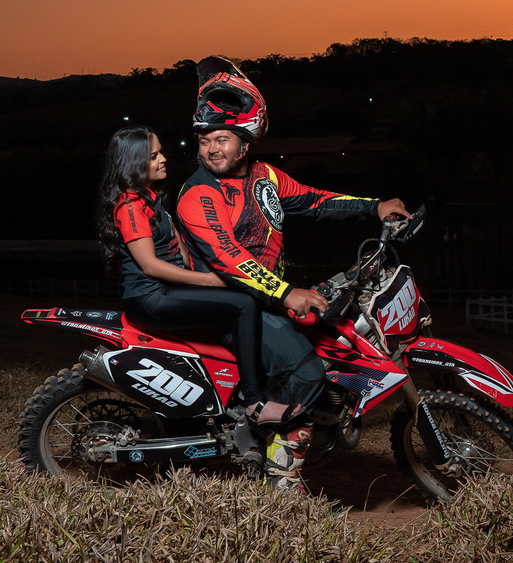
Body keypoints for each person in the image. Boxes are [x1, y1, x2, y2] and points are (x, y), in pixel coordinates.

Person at [174, 56, 409, 492]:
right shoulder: (199, 194)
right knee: (308, 374)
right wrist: (286, 293)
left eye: (222, 138)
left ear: (246, 141)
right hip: (231, 306)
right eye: (204, 139)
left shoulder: (265, 177)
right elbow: (230, 258)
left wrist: (372, 206)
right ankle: (282, 469)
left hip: (267, 300)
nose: (211, 149)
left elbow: (316, 200)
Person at [95, 125, 301, 426]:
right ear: (134, 163)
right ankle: (255, 402)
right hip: (150, 298)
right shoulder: (129, 207)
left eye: (161, 152)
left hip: (164, 292)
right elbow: (150, 266)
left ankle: (235, 391)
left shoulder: (149, 198)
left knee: (243, 298)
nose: (163, 159)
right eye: (154, 156)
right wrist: (215, 280)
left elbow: (180, 249)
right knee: (243, 304)